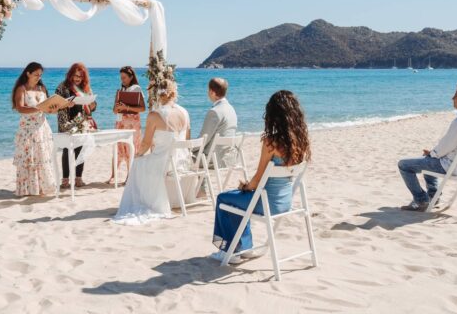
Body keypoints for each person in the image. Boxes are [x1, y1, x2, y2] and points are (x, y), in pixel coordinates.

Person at [211, 90, 311, 262]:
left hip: (266, 203)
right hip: (284, 203)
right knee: (239, 201)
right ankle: (244, 247)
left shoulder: (270, 142)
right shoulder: (301, 142)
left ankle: (229, 250)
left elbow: (257, 181)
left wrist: (245, 186)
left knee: (223, 198)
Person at [397, 82, 457, 211]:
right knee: (431, 159)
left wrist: (432, 153)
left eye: (456, 95)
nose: (452, 98)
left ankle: (421, 200)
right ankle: (434, 197)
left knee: (404, 165)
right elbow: (452, 146)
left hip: (452, 166)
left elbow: (445, 147)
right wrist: (433, 153)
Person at [113, 79, 191, 224]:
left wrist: (138, 155)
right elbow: (187, 138)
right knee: (144, 160)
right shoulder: (184, 112)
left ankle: (145, 201)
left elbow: (146, 144)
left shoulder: (155, 115)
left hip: (164, 163)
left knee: (137, 163)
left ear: (158, 94)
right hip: (182, 161)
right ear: (174, 93)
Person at [12, 62, 56, 197]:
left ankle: (43, 188)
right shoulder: (22, 89)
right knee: (29, 159)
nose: (38, 77)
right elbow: (20, 108)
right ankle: (28, 190)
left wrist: (54, 109)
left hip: (42, 128)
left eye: (40, 75)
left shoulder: (42, 89)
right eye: (36, 74)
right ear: (28, 73)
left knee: (43, 157)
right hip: (28, 130)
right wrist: (38, 108)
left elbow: (47, 109)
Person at [55, 63, 97, 189]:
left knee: (81, 150)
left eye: (80, 76)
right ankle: (65, 181)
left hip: (81, 122)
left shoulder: (86, 88)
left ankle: (78, 179)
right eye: (75, 75)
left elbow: (92, 107)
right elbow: (55, 105)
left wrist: (92, 104)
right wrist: (66, 104)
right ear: (70, 75)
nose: (77, 78)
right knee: (67, 151)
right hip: (66, 122)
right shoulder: (62, 87)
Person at [110, 66, 146, 185]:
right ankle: (113, 176)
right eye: (121, 78)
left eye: (124, 77)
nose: (122, 80)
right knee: (118, 148)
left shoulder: (136, 89)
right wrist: (117, 107)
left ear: (131, 77)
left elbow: (142, 108)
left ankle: (129, 177)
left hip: (132, 124)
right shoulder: (120, 90)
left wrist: (127, 107)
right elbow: (114, 110)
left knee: (131, 149)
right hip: (120, 122)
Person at [196, 77, 237, 162]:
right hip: (228, 156)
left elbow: (203, 139)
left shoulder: (214, 112)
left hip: (213, 159)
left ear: (212, 92)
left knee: (181, 157)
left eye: (208, 90)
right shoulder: (231, 109)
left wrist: (187, 149)